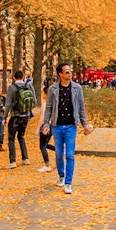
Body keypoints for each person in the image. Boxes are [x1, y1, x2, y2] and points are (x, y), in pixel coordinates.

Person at [42, 63, 91, 194]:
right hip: (57, 126)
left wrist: (84, 123)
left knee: (69, 155)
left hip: (71, 126)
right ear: (60, 74)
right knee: (59, 154)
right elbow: (48, 108)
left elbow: (81, 107)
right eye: (67, 72)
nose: (70, 74)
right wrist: (46, 124)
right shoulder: (53, 89)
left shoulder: (77, 88)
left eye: (70, 71)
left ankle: (68, 182)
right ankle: (61, 175)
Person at [5, 69, 35, 169]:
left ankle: (12, 161)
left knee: (11, 138)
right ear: (23, 77)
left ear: (14, 78)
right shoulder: (28, 86)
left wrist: (5, 117)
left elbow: (8, 103)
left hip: (15, 116)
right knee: (21, 137)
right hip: (25, 116)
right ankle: (25, 158)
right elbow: (34, 101)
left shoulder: (12, 88)